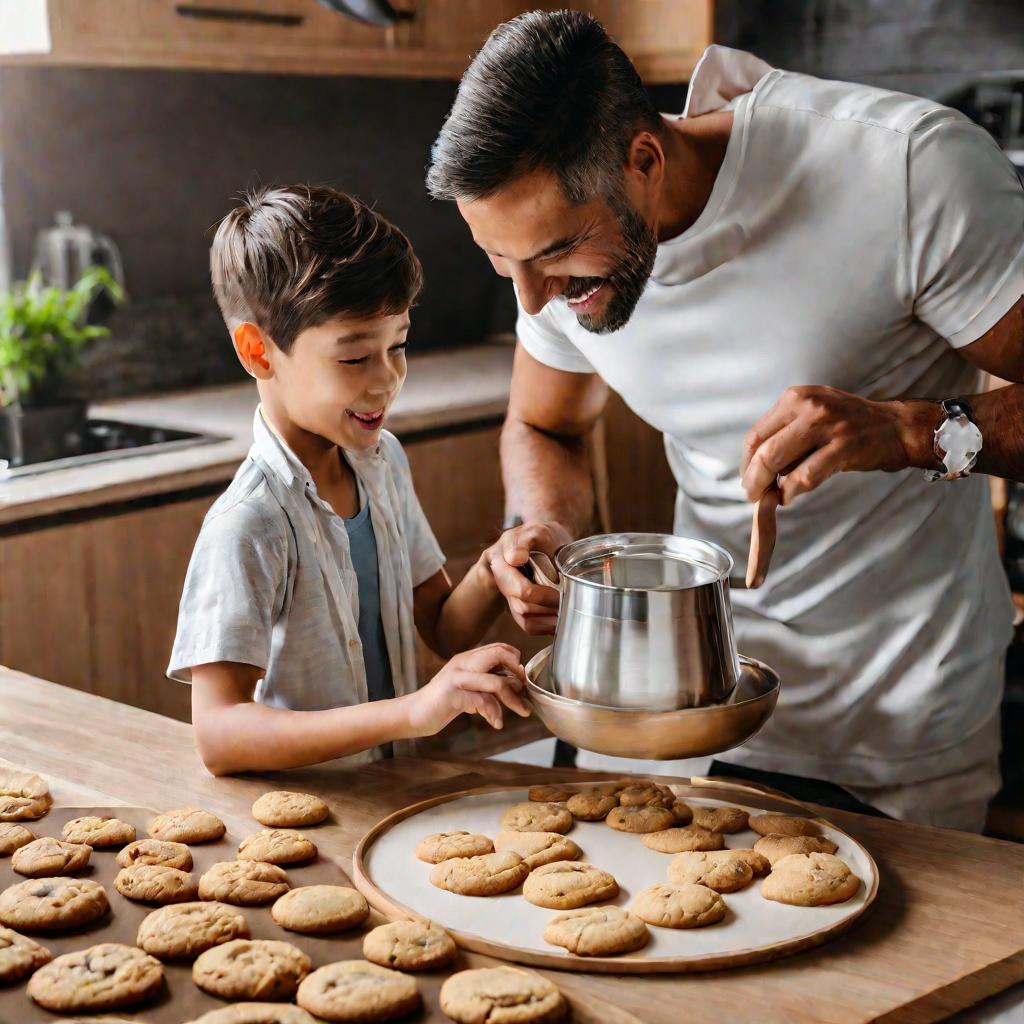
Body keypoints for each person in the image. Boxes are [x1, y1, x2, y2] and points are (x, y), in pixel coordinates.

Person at [427, 11, 1024, 831]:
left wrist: (910, 432)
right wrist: (547, 529)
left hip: (892, 727)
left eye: (558, 254)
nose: (532, 300)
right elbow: (545, 426)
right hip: (669, 709)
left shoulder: (908, 169)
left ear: (645, 159)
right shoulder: (557, 267)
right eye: (502, 260)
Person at [168, 185, 529, 775]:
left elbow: (439, 623)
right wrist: (413, 711)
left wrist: (493, 569)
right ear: (259, 352)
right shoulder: (251, 521)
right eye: (355, 358)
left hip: (387, 794)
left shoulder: (382, 462)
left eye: (400, 345)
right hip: (307, 815)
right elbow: (219, 733)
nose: (387, 380)